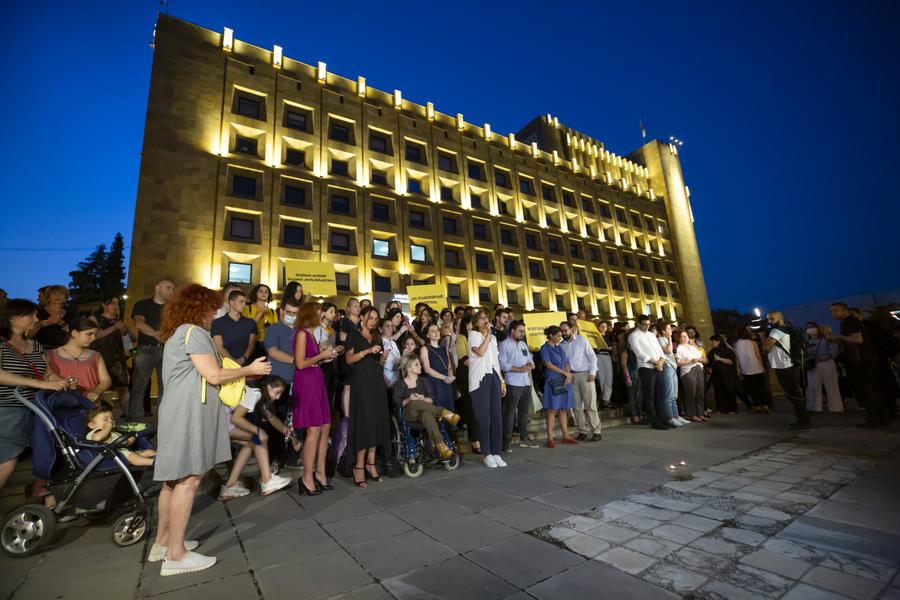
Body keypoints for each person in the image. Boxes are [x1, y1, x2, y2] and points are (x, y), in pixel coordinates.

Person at [152, 283, 271, 575]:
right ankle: (176, 556)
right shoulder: (194, 333)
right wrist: (249, 370)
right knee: (189, 479)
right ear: (201, 307)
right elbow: (214, 375)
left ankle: (163, 542)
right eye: (213, 307)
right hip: (189, 413)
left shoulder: (180, 332)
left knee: (172, 480)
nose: (215, 312)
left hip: (178, 410)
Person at [0, 299, 67, 492]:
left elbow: (47, 372)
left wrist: (60, 381)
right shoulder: (2, 344)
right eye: (31, 314)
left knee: (47, 456)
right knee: (7, 461)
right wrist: (40, 384)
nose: (36, 318)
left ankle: (37, 501)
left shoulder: (35, 345)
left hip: (36, 409)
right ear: (13, 318)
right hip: (8, 408)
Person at [289, 302, 338, 495]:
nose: (322, 315)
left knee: (324, 426)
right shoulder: (301, 334)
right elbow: (300, 363)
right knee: (314, 430)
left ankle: (319, 473)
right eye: (319, 312)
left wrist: (324, 358)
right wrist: (321, 357)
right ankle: (307, 477)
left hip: (316, 379)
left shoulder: (310, 334)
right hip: (307, 382)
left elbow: (310, 360)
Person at [344, 306, 391, 486]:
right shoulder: (353, 335)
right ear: (362, 317)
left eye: (375, 318)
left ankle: (371, 464)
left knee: (376, 422)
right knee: (364, 424)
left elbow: (378, 363)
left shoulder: (377, 337)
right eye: (370, 317)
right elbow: (349, 360)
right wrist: (366, 351)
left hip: (376, 382)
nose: (372, 321)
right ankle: (359, 466)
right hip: (361, 384)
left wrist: (383, 358)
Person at [229, 376, 297, 481]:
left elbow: (273, 419)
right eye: (277, 392)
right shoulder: (256, 393)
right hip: (222, 422)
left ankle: (230, 485)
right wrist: (257, 430)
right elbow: (236, 418)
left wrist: (292, 436)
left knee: (252, 442)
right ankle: (267, 480)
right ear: (269, 387)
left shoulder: (262, 397)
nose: (278, 397)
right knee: (260, 437)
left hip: (224, 421)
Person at [829, 302, 886, 427]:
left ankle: (873, 419)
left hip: (862, 360)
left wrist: (839, 337)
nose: (833, 313)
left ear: (844, 310)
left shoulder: (850, 322)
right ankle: (882, 417)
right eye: (832, 311)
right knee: (873, 389)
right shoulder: (849, 321)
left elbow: (858, 339)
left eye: (835, 310)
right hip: (866, 359)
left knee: (868, 390)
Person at [392, 355, 459, 460]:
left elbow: (432, 399)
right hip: (408, 415)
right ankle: (443, 413)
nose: (420, 366)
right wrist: (409, 399)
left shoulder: (424, 381)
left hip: (424, 414)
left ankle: (441, 445)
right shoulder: (399, 384)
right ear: (408, 368)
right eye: (416, 364)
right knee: (414, 402)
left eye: (420, 364)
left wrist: (423, 398)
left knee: (426, 414)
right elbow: (397, 403)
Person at [128, 279, 175, 419]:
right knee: (138, 386)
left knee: (165, 387)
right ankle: (135, 421)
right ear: (157, 288)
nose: (172, 291)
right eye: (169, 287)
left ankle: (163, 422)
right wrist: (157, 335)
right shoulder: (142, 304)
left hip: (167, 351)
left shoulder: (172, 308)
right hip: (145, 350)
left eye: (173, 288)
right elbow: (139, 323)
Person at [468, 310, 507, 467]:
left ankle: (496, 452)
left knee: (496, 416)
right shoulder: (473, 335)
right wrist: (488, 335)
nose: (485, 320)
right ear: (476, 322)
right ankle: (487, 453)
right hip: (479, 380)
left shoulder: (494, 338)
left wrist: (502, 380)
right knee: (485, 418)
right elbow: (481, 352)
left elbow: (495, 361)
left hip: (494, 377)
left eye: (486, 318)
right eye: (481, 318)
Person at [764, 311, 812, 430]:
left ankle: (805, 422)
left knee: (794, 395)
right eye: (768, 319)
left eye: (772, 319)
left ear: (780, 320)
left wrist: (762, 336)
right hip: (785, 366)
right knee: (793, 394)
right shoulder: (782, 330)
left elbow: (765, 347)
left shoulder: (777, 330)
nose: (769, 321)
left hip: (784, 368)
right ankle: (802, 420)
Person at [47, 317, 112, 404]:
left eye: (95, 335)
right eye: (89, 334)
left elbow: (106, 380)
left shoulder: (95, 355)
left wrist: (96, 391)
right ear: (74, 333)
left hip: (91, 404)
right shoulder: (50, 355)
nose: (93, 338)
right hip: (61, 405)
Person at [498, 321, 539, 449]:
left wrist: (531, 364)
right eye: (520, 331)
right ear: (512, 331)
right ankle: (506, 441)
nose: (522, 333)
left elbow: (529, 358)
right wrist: (519, 369)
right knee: (509, 413)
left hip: (526, 382)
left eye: (523, 331)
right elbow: (502, 365)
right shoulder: (504, 345)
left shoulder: (523, 344)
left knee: (524, 412)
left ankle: (524, 438)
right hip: (512, 383)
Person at [559, 321, 601, 441]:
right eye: (561, 331)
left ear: (572, 329)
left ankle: (596, 431)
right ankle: (582, 431)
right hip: (571, 376)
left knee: (590, 405)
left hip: (585, 374)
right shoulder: (561, 345)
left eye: (565, 330)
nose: (563, 333)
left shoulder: (581, 340)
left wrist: (593, 372)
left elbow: (592, 356)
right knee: (576, 406)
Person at [629, 315, 670, 430]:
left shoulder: (651, 335)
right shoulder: (633, 336)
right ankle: (655, 422)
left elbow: (660, 351)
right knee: (650, 396)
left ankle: (664, 420)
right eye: (644, 324)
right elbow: (639, 353)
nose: (647, 326)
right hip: (646, 368)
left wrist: (660, 362)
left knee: (661, 395)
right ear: (638, 323)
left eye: (648, 324)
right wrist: (655, 362)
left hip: (658, 367)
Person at [539, 326, 577, 447]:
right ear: (551, 335)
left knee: (563, 409)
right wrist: (564, 373)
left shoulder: (559, 348)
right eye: (558, 336)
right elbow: (548, 364)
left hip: (564, 380)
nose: (560, 338)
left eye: (561, 336)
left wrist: (568, 375)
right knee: (552, 410)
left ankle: (566, 435)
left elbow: (566, 362)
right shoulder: (545, 348)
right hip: (552, 380)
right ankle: (550, 437)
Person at [91, 296, 132, 409]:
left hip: (117, 358)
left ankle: (129, 417)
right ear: (104, 305)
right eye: (112, 303)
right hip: (100, 357)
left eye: (117, 303)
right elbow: (94, 336)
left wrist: (125, 331)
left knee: (122, 386)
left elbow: (130, 339)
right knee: (99, 386)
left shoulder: (120, 321)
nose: (116, 306)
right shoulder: (95, 318)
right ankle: (97, 414)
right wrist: (114, 328)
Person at [85, 403, 157, 466]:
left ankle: (161, 457)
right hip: (113, 456)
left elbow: (122, 442)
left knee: (147, 452)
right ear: (92, 425)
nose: (110, 421)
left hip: (124, 452)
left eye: (112, 419)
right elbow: (97, 439)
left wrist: (129, 441)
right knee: (134, 458)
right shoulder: (95, 432)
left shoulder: (113, 432)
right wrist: (108, 427)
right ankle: (154, 462)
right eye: (105, 419)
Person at [455, 315, 480, 454]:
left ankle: (479, 437)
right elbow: (464, 359)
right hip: (466, 376)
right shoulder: (461, 338)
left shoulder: (477, 337)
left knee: (477, 408)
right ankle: (474, 441)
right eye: (470, 324)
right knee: (471, 409)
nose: (472, 326)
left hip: (476, 375)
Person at [804, 322, 842, 413]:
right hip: (813, 365)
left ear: (817, 328)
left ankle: (836, 408)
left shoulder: (826, 339)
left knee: (831, 385)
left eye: (812, 327)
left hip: (827, 363)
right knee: (813, 386)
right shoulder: (806, 342)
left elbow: (835, 352)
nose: (811, 329)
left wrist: (831, 342)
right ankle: (814, 408)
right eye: (808, 328)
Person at [264, 297, 300, 388]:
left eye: (295, 313)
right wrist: (297, 360)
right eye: (289, 312)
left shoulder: (300, 330)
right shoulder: (274, 328)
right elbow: (273, 352)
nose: (292, 315)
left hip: (296, 379)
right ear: (282, 311)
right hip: (277, 379)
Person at [735, 327, 772, 413]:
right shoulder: (753, 342)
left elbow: (737, 358)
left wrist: (739, 370)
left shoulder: (736, 344)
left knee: (752, 389)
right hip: (757, 368)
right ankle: (765, 405)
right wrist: (762, 366)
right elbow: (758, 355)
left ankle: (757, 406)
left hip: (746, 370)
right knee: (761, 387)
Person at [421, 323, 456, 411]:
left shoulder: (444, 348)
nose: (436, 333)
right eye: (433, 331)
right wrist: (445, 377)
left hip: (447, 381)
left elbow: (449, 367)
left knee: (449, 407)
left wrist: (450, 376)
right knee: (439, 408)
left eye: (437, 330)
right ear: (427, 335)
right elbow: (427, 369)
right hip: (434, 381)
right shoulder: (425, 348)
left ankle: (449, 425)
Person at [657, 322, 687, 426]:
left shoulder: (667, 339)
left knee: (674, 394)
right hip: (667, 366)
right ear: (663, 331)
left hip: (673, 367)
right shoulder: (660, 339)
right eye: (668, 328)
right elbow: (668, 351)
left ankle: (676, 416)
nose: (671, 330)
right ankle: (670, 418)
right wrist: (669, 338)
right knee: (669, 394)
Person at [337, 298, 362, 419]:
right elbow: (342, 337)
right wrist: (357, 339)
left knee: (358, 385)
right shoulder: (345, 321)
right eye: (355, 306)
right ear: (348, 308)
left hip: (360, 357)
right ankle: (346, 416)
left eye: (359, 306)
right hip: (347, 356)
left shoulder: (362, 321)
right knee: (348, 385)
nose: (358, 308)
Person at [676, 330, 707, 422]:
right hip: (688, 371)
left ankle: (700, 414)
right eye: (682, 336)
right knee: (691, 393)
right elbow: (678, 362)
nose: (685, 338)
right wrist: (690, 361)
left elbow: (702, 358)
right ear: (679, 338)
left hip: (698, 368)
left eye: (686, 336)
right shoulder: (679, 348)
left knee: (700, 393)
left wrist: (700, 359)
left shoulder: (693, 347)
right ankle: (691, 414)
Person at [28, 284, 71, 349]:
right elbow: (27, 336)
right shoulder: (37, 312)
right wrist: (41, 324)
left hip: (64, 350)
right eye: (54, 294)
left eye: (61, 294)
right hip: (41, 349)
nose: (58, 296)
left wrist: (62, 324)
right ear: (48, 297)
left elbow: (77, 334)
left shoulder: (71, 313)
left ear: (66, 297)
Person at [707, 334, 740, 414]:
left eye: (713, 341)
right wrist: (709, 368)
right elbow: (708, 362)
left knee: (729, 391)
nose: (712, 343)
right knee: (718, 392)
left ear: (718, 341)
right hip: (716, 376)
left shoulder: (727, 350)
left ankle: (732, 409)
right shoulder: (712, 351)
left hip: (727, 375)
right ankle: (721, 409)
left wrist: (720, 359)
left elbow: (731, 361)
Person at [244, 284, 278, 359]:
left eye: (266, 292)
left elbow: (276, 329)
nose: (264, 293)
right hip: (252, 344)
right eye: (261, 291)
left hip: (269, 345)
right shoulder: (247, 308)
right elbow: (248, 326)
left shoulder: (272, 312)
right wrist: (261, 312)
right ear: (255, 293)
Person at [594, 320, 614, 409]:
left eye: (605, 326)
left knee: (609, 378)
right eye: (602, 326)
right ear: (598, 327)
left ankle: (607, 399)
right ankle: (604, 399)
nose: (604, 328)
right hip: (599, 356)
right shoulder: (595, 336)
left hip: (607, 356)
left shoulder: (608, 336)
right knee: (601, 377)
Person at [381, 318, 402, 387]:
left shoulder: (394, 343)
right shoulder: (380, 343)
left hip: (396, 379)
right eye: (387, 326)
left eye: (392, 326)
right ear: (380, 329)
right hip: (385, 380)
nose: (390, 328)